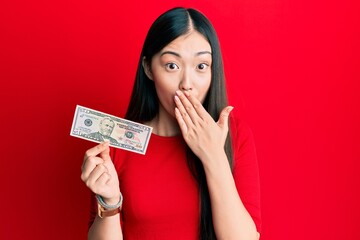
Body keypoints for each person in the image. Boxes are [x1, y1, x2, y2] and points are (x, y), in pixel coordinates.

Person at [81, 7, 261, 240]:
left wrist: (213, 156)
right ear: (148, 68)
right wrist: (110, 201)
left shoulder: (236, 135)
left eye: (201, 66)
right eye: (172, 66)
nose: (187, 84)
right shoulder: (117, 142)